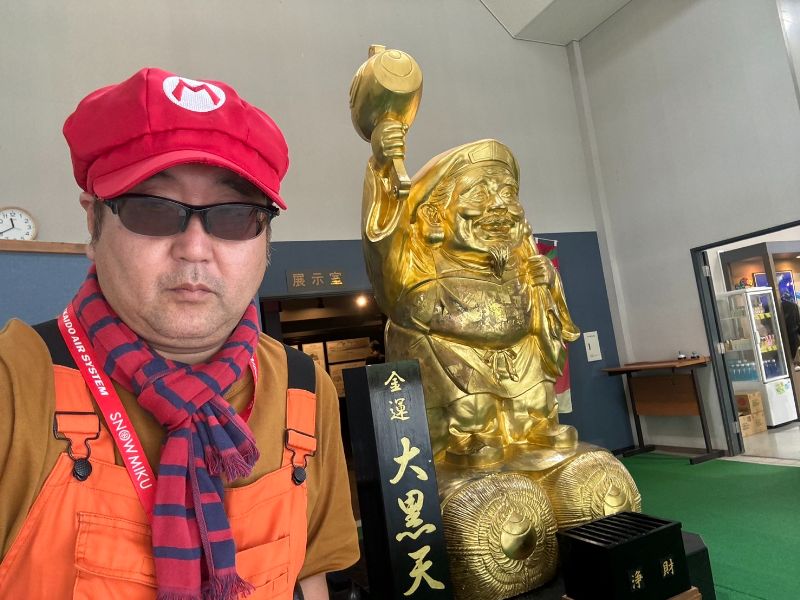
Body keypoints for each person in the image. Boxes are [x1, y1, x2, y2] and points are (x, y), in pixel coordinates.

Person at [0, 68, 359, 600]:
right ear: (93, 224)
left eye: (234, 216)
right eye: (153, 210)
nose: (194, 248)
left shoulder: (302, 388)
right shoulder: (15, 388)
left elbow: (309, 580)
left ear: (265, 239)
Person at [360, 121, 580, 467]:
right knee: (469, 407)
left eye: (508, 194)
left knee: (537, 401)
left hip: (520, 359)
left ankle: (531, 427)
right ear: (434, 213)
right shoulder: (423, 265)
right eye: (479, 195)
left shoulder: (520, 261)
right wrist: (384, 170)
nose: (499, 206)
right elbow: (385, 251)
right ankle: (466, 437)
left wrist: (546, 283)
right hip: (455, 360)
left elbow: (549, 319)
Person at [780, 293, 800, 370]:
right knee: (793, 349)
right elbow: (798, 321)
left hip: (780, 334)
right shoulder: (794, 306)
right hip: (792, 333)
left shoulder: (774, 306)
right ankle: (795, 363)